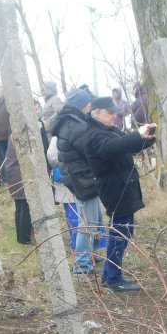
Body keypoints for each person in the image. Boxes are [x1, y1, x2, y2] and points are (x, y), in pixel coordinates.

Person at [81, 96, 156, 292]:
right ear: (96, 112)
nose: (114, 116)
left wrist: (146, 140)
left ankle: (109, 275)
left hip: (124, 186)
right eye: (110, 112)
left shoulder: (107, 130)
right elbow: (112, 148)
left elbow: (125, 145)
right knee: (120, 233)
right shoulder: (93, 135)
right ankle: (113, 279)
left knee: (124, 231)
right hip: (114, 189)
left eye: (114, 112)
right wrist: (136, 136)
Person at [55, 87, 105, 274]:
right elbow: (90, 149)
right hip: (82, 177)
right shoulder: (75, 124)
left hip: (80, 175)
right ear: (82, 106)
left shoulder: (71, 121)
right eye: (88, 105)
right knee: (88, 222)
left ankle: (87, 257)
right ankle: (82, 263)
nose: (90, 108)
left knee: (93, 219)